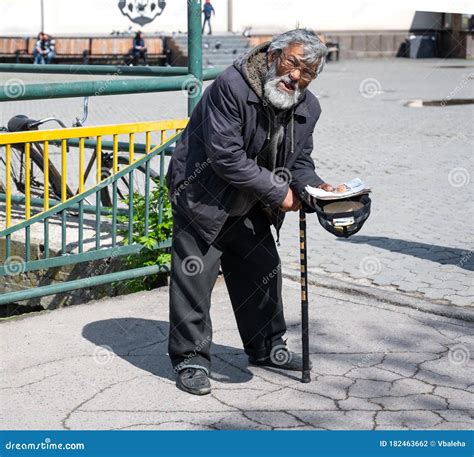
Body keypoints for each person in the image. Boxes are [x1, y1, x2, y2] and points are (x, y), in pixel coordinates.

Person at [165, 29, 337, 396]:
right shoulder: (232, 85)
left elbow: (299, 161)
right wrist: (280, 193)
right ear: (274, 55)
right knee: (195, 278)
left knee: (262, 272)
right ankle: (190, 360)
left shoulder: (308, 107)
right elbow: (225, 156)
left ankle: (266, 348)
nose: (296, 76)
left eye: (307, 72)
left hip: (253, 199)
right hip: (203, 194)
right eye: (293, 62)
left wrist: (317, 188)